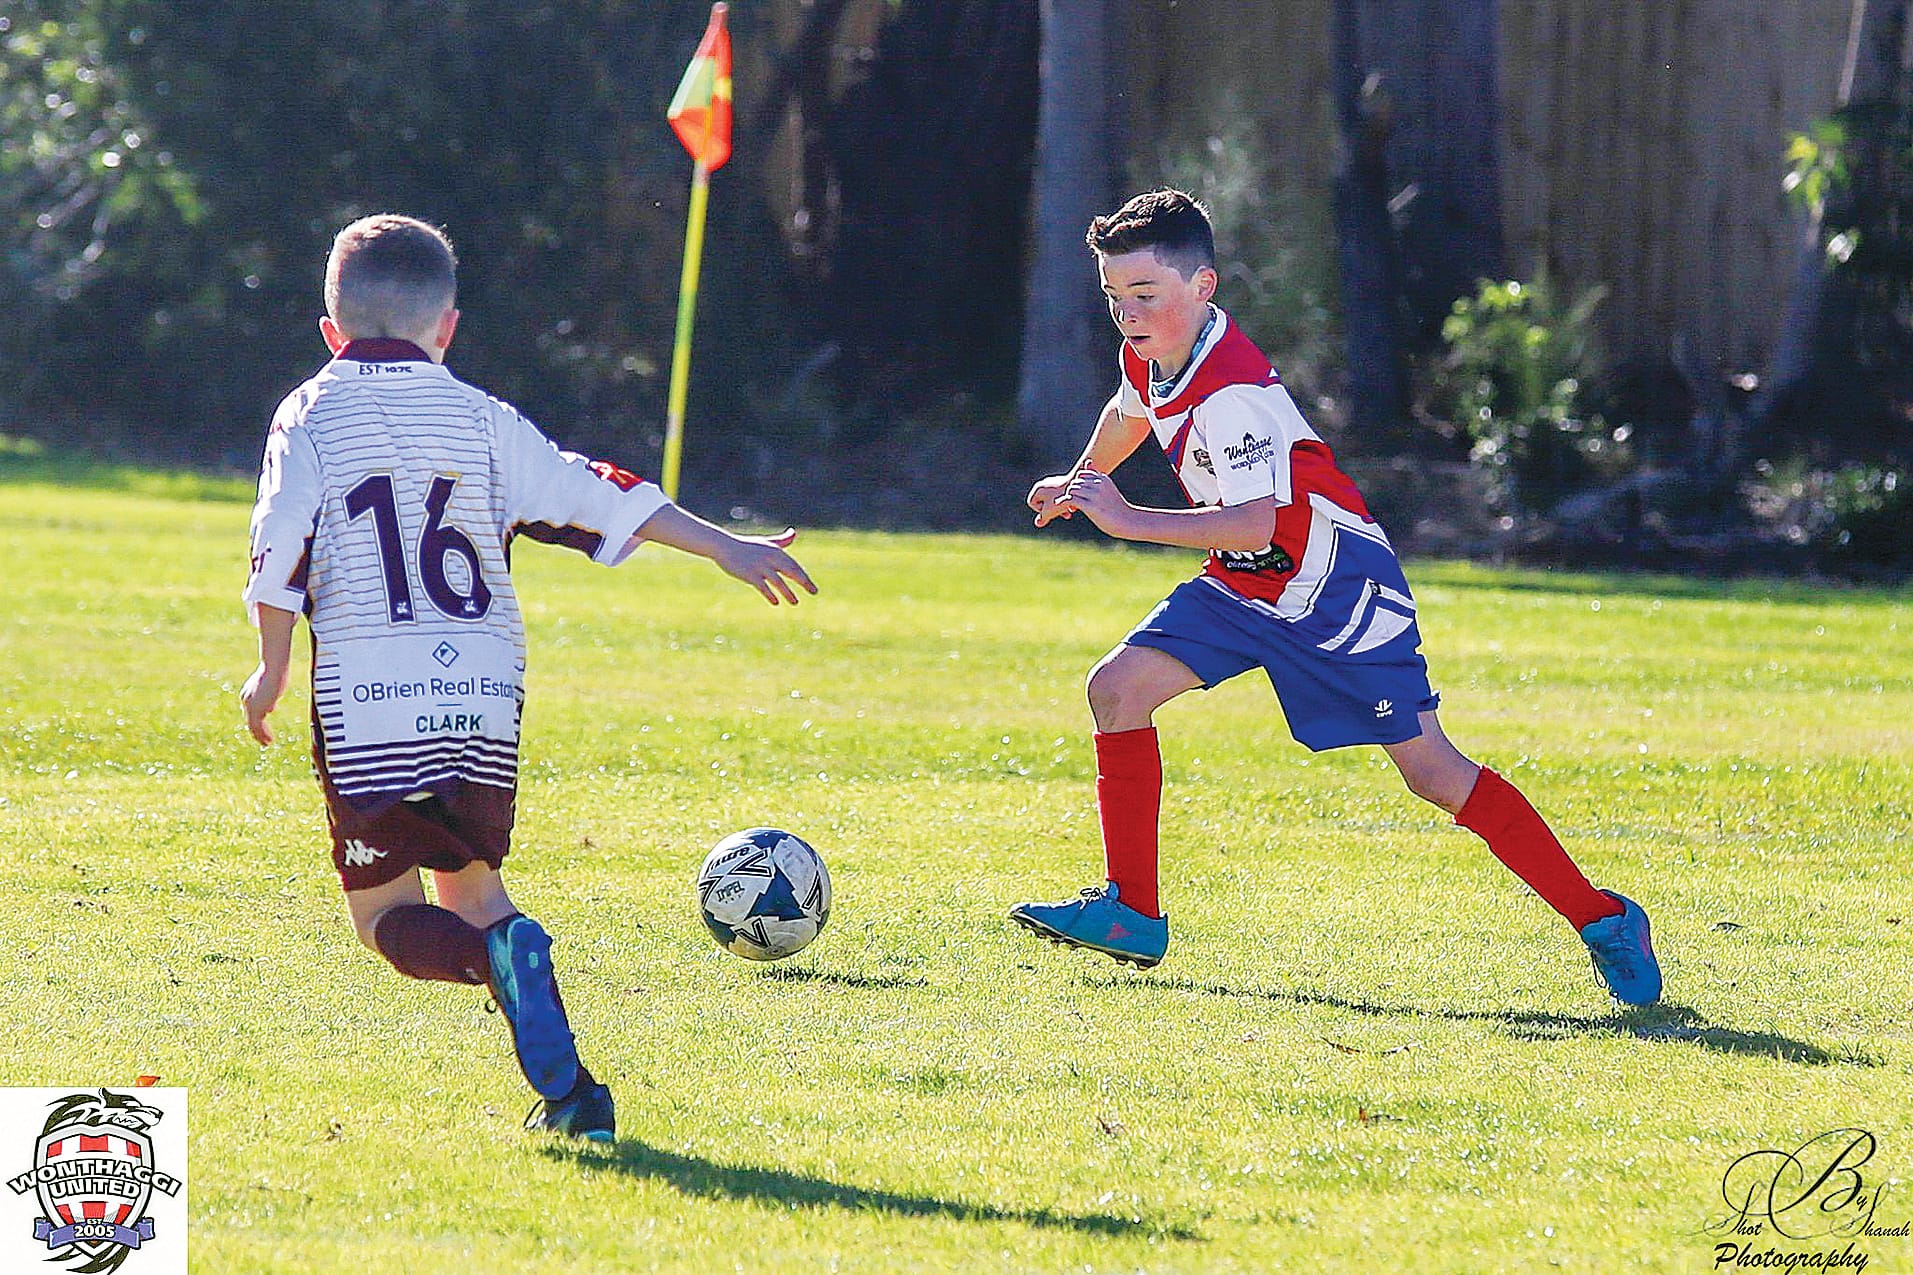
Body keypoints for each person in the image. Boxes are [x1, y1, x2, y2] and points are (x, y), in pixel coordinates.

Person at [240, 214, 817, 1141]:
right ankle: (575, 1097)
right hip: (480, 699)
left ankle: (504, 962)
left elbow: (280, 538)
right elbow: (602, 489)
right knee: (477, 892)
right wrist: (725, 546)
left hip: (370, 704)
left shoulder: (309, 411)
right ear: (449, 326)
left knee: (388, 919)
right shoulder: (485, 418)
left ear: (330, 331)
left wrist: (270, 665)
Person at [1008, 189, 1661, 1006]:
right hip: (1246, 584)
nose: (1127, 316)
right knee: (1116, 688)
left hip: (1336, 592)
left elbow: (1254, 520)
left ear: (1202, 286)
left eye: (1144, 296)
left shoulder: (1233, 390)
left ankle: (1602, 919)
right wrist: (1082, 480)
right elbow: (1128, 409)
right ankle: (1132, 910)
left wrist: (1126, 516)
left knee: (1432, 772)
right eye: (1114, 297)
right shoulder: (1150, 351)